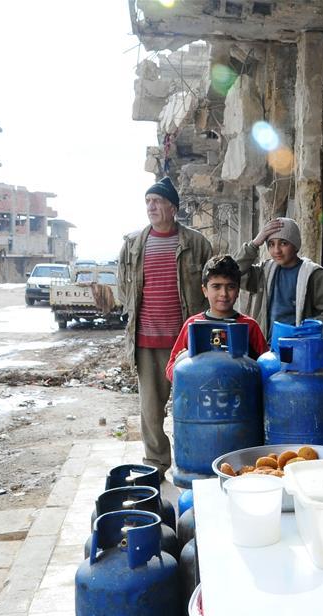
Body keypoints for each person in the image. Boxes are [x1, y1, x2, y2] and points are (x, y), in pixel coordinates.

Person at [118, 176, 213, 477]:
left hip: (186, 343)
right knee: (150, 410)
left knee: (191, 406)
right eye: (148, 201)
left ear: (173, 207)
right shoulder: (133, 244)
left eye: (157, 201)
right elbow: (123, 287)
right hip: (146, 341)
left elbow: (213, 282)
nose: (151, 206)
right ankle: (157, 465)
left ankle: (195, 460)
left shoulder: (196, 243)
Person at [234, 217, 323, 339]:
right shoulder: (265, 272)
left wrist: (304, 330)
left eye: (283, 243)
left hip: (300, 349)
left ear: (295, 245)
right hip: (266, 349)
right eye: (271, 244)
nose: (277, 250)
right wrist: (254, 245)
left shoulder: (313, 274)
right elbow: (232, 274)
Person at [165, 255, 269, 381]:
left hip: (241, 396)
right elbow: (170, 369)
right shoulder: (192, 325)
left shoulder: (249, 326)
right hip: (200, 396)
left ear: (237, 291)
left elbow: (266, 367)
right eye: (216, 286)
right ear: (205, 290)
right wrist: (181, 363)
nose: (223, 294)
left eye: (230, 287)